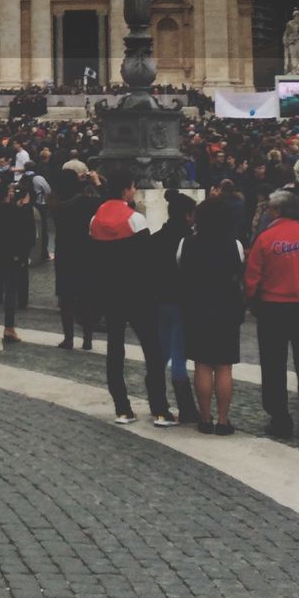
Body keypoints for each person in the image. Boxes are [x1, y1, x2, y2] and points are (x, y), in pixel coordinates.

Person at [88, 171, 177, 427]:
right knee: (152, 349)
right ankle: (160, 409)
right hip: (138, 293)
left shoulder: (95, 220)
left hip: (109, 292)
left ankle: (122, 408)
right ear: (127, 189)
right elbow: (146, 262)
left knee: (115, 348)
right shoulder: (136, 219)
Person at [244, 189, 299, 439]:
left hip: (273, 308)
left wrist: (253, 303)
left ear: (275, 211)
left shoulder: (265, 239)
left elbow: (252, 278)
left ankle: (280, 419)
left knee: (273, 366)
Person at [177, 197, 245, 434]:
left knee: (202, 364)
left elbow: (181, 268)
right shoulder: (234, 245)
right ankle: (223, 420)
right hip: (227, 307)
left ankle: (205, 418)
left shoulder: (187, 243)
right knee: (224, 366)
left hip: (197, 307)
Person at [153, 191, 199, 424]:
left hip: (160, 300)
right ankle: (187, 407)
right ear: (188, 215)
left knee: (161, 353)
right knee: (178, 355)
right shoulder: (190, 241)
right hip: (181, 301)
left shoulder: (157, 237)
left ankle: (157, 401)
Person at [0, 174, 35, 344]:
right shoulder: (13, 212)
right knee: (10, 292)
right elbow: (21, 232)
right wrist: (24, 206)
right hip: (11, 256)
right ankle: (9, 329)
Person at [49, 167, 97, 349]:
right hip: (84, 251)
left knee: (66, 298)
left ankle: (68, 338)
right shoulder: (85, 202)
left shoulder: (55, 203)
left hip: (64, 252)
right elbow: (104, 201)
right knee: (86, 297)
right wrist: (95, 182)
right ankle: (87, 338)